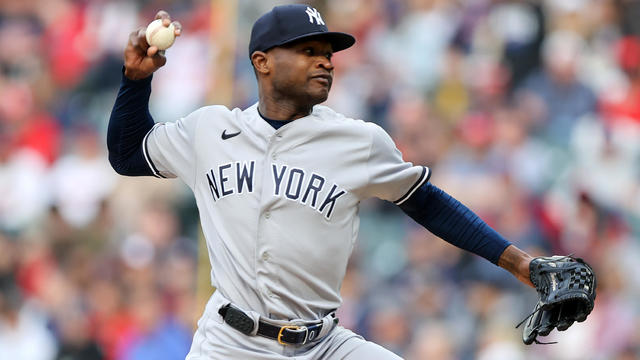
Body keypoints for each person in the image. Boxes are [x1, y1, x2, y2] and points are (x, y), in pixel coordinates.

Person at [107, 5, 542, 359]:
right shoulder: (210, 131)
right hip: (229, 343)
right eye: (307, 50)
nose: (324, 61)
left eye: (328, 53)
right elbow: (128, 155)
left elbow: (427, 203)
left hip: (323, 346)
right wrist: (135, 82)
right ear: (262, 62)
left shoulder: (360, 141)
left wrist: (521, 264)